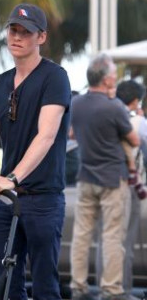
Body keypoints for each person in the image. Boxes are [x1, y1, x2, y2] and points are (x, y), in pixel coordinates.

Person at [0, 3, 71, 300]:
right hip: (8, 202)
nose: (17, 37)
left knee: (45, 286)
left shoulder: (54, 77)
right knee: (6, 284)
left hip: (43, 198)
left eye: (26, 32)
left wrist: (14, 177)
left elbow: (46, 135)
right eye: (13, 30)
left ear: (41, 37)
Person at [69, 54, 140, 300]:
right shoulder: (115, 107)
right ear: (108, 78)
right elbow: (135, 139)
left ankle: (78, 287)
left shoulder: (76, 104)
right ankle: (111, 290)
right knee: (111, 236)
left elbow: (71, 134)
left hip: (85, 176)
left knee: (81, 234)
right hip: (112, 180)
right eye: (113, 74)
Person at [96, 80, 147, 300]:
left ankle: (105, 290)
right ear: (135, 100)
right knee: (124, 244)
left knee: (105, 243)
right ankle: (121, 292)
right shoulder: (137, 123)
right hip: (126, 190)